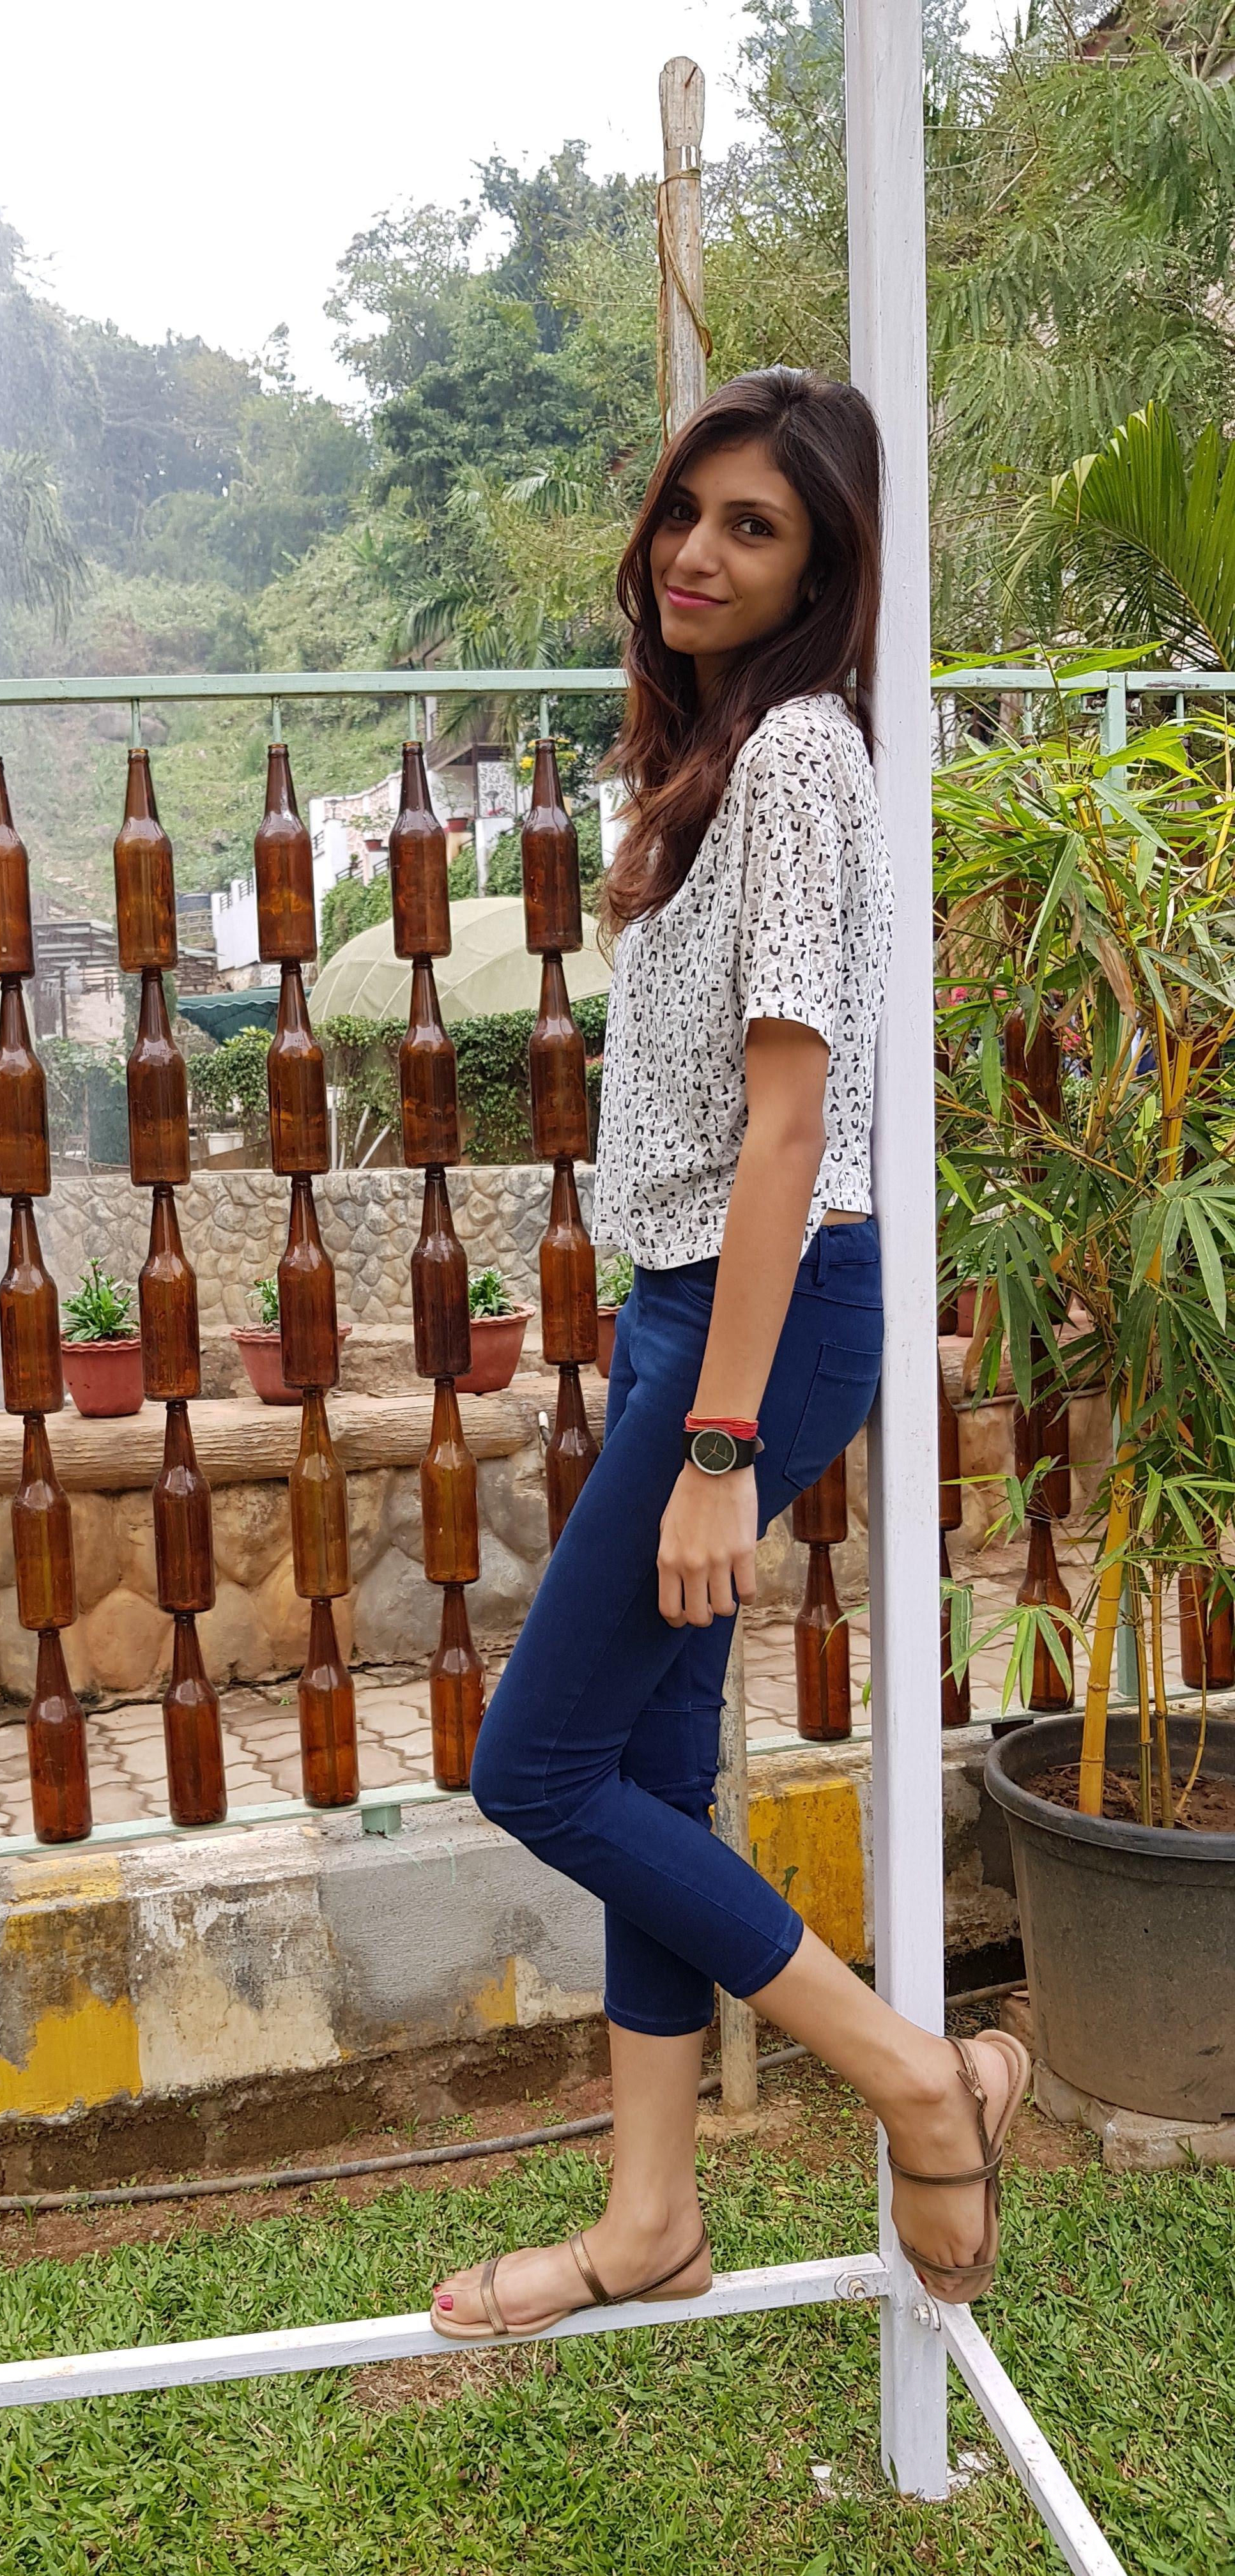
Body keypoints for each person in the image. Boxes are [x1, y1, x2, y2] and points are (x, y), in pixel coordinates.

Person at [430, 367, 1027, 2345]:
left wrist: (714, 1447)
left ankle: (916, 2076)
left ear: (821, 569)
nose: (697, 551)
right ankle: (651, 2219)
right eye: (686, 510)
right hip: (699, 1304)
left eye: (752, 526)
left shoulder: (791, 759)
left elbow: (792, 1126)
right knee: (646, 1774)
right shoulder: (729, 757)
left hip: (761, 1316)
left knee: (538, 1766)